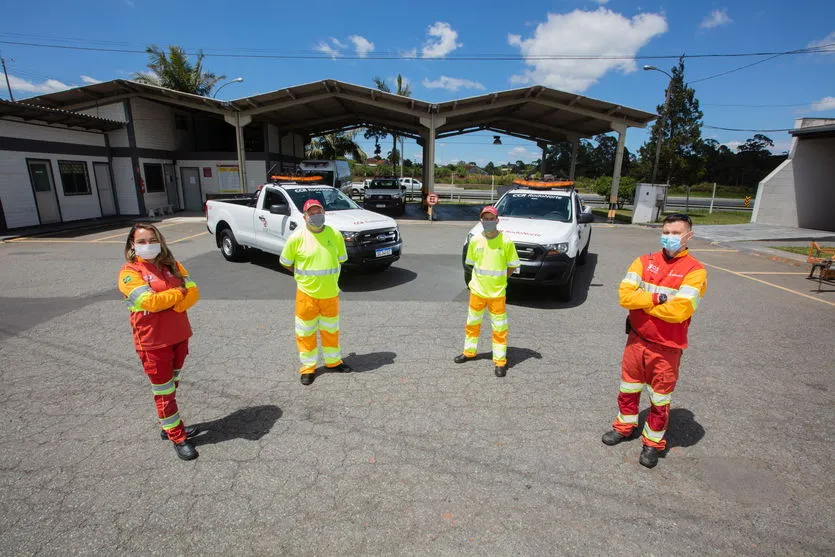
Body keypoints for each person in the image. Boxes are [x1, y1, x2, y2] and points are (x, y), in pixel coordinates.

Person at [601, 213, 707, 468]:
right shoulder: (643, 261)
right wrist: (658, 299)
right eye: (667, 231)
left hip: (667, 347)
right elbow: (625, 297)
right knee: (629, 387)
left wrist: (643, 303)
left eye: (676, 233)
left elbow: (679, 311)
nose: (670, 237)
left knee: (659, 398)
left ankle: (653, 443)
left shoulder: (695, 270)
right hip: (636, 340)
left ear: (688, 236)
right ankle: (625, 426)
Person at [118, 223, 201, 461]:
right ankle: (176, 435)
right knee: (164, 391)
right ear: (132, 246)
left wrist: (179, 299)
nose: (147, 245)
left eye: (152, 240)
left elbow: (194, 290)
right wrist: (178, 295)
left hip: (179, 336)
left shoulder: (172, 265)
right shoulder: (129, 272)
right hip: (153, 343)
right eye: (141, 241)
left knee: (172, 385)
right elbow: (149, 302)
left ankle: (168, 425)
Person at [280, 199, 353, 385]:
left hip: (330, 294)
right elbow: (286, 262)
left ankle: (333, 362)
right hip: (307, 295)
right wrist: (303, 277)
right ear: (304, 217)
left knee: (331, 331)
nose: (315, 215)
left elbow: (341, 259)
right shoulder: (296, 238)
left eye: (318, 211)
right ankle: (308, 368)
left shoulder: (334, 234)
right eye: (311, 213)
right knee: (305, 334)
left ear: (324, 213)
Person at [454, 206, 520, 377]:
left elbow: (512, 265)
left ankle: (500, 362)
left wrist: (501, 280)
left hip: (497, 293)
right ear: (481, 220)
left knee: (499, 329)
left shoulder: (506, 241)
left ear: (497, 220)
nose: (489, 222)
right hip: (477, 292)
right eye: (486, 219)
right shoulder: (475, 240)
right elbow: (471, 264)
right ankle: (469, 352)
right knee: (472, 325)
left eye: (492, 219)